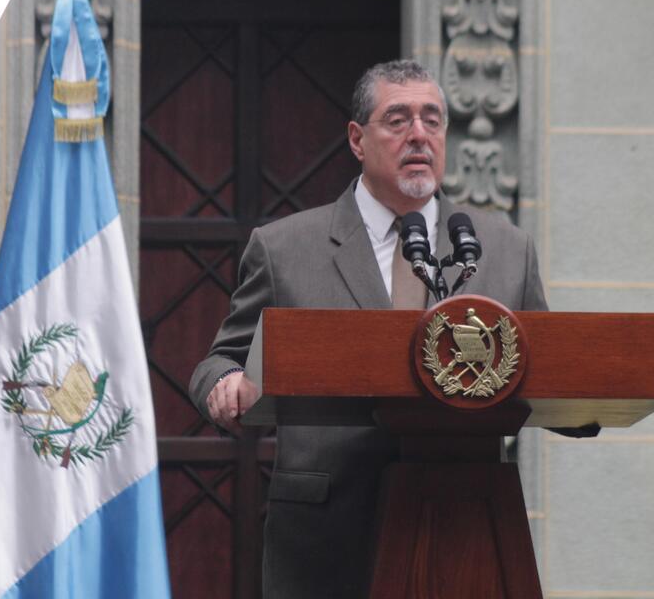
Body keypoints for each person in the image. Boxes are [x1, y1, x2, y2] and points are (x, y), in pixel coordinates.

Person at [188, 59, 548, 598]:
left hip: (464, 528)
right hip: (326, 540)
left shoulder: (502, 249)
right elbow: (221, 359)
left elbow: (548, 365)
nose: (419, 135)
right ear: (357, 139)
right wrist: (223, 386)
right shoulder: (285, 248)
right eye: (397, 120)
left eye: (432, 119)